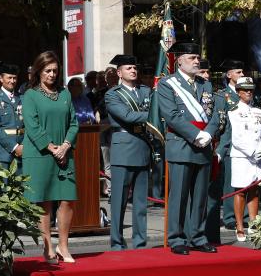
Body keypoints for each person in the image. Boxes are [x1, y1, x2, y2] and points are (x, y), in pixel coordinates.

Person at [156, 42, 218, 255]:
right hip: (182, 145)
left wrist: (209, 133)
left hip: (203, 145)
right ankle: (176, 237)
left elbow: (214, 113)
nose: (196, 61)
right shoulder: (167, 84)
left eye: (197, 57)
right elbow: (171, 115)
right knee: (179, 196)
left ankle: (198, 236)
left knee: (200, 196)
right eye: (191, 58)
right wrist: (196, 135)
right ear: (179, 60)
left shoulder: (205, 84)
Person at [22, 52, 79, 264]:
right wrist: (52, 148)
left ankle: (64, 245)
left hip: (64, 152)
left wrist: (65, 146)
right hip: (40, 154)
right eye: (48, 71)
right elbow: (32, 125)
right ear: (39, 71)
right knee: (44, 201)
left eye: (55, 70)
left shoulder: (65, 93)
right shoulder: (30, 95)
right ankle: (48, 247)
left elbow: (74, 123)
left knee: (67, 200)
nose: (52, 74)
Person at [104, 54, 153, 250]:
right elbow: (126, 115)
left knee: (141, 203)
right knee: (119, 201)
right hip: (123, 147)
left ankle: (140, 242)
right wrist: (152, 115)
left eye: (134, 68)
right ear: (119, 72)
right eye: (128, 68)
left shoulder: (146, 91)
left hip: (142, 145)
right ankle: (117, 242)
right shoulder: (113, 94)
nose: (133, 71)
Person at [205, 59, 246, 242]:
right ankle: (230, 217)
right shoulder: (223, 96)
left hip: (244, 144)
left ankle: (243, 216)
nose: (242, 75)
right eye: (238, 72)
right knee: (230, 182)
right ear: (229, 75)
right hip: (229, 143)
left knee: (244, 182)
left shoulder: (246, 93)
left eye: (242, 72)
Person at [227, 77, 261, 241]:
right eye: (245, 89)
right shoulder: (233, 111)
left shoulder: (258, 111)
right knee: (241, 191)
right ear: (238, 92)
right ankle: (239, 226)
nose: (249, 92)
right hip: (242, 157)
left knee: (254, 190)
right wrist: (253, 152)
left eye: (251, 89)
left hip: (258, 157)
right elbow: (237, 138)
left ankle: (254, 223)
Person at [0, 64, 25, 170]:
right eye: (9, 78)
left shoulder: (22, 98)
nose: (12, 81)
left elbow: (28, 125)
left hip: (23, 151)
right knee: (3, 186)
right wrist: (15, 147)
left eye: (15, 78)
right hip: (3, 153)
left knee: (23, 186)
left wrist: (23, 146)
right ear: (1, 78)